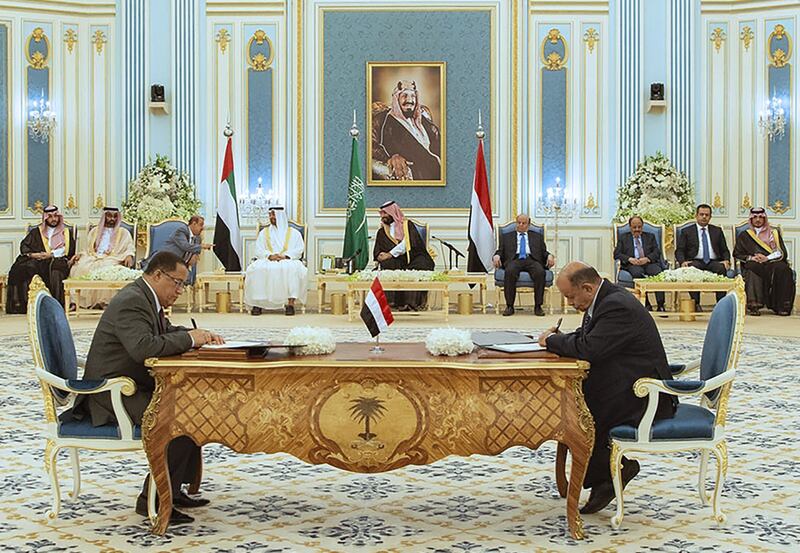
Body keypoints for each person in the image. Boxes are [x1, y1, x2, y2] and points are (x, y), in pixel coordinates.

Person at [67, 251, 224, 525]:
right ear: (158, 275)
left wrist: (197, 335)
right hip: (109, 394)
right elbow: (143, 348)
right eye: (176, 283)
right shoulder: (132, 301)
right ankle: (153, 500)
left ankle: (171, 490)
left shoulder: (144, 296)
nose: (179, 290)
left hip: (130, 385)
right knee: (177, 418)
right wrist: (189, 339)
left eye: (183, 285)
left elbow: (161, 331)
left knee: (193, 406)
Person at [538, 262, 677, 514]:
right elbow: (585, 337)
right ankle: (608, 474)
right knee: (574, 399)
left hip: (646, 396)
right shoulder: (604, 299)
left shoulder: (616, 306)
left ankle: (614, 473)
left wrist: (551, 341)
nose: (570, 303)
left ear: (588, 288)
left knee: (580, 411)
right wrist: (558, 341)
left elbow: (589, 348)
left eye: (570, 296)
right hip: (627, 381)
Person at [6, 205, 76, 314]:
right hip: (39, 260)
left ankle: (57, 305)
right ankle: (24, 304)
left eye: (55, 216)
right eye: (50, 216)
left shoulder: (66, 232)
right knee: (22, 268)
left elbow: (68, 250)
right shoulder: (36, 232)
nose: (53, 219)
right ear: (45, 218)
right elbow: (24, 246)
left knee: (56, 270)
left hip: (56, 259)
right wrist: (34, 255)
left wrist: (51, 254)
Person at [371, 80, 442, 181]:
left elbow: (439, 141)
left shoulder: (423, 120)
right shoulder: (383, 120)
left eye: (413, 96)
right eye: (404, 96)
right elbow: (370, 144)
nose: (410, 100)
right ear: (396, 99)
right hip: (417, 174)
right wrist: (390, 157)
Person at [244, 206, 307, 316]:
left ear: (280, 216)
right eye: (270, 215)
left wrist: (285, 256)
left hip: (287, 259)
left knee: (291, 269)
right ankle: (258, 304)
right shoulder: (264, 232)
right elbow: (258, 249)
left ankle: (290, 304)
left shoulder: (293, 233)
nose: (271, 217)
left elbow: (299, 249)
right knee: (257, 269)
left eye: (273, 215)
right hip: (268, 259)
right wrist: (269, 256)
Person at [372, 200, 435, 310]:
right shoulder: (382, 232)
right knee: (389, 263)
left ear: (393, 213)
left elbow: (408, 243)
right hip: (395, 260)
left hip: (413, 256)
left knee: (422, 263)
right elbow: (377, 250)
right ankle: (393, 303)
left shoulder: (407, 225)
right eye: (381, 213)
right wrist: (380, 256)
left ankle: (413, 303)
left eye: (385, 213)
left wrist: (390, 254)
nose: (383, 216)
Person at [69, 207, 136, 308]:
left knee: (107, 267)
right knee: (80, 267)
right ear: (104, 217)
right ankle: (79, 301)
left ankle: (103, 302)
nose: (112, 219)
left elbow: (129, 247)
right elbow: (87, 248)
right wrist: (80, 254)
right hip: (93, 256)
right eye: (109, 216)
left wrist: (129, 255)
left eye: (114, 217)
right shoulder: (94, 231)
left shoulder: (123, 232)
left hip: (113, 258)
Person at [733, 207, 795, 316]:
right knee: (751, 267)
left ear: (764, 219)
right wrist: (752, 258)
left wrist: (767, 258)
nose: (758, 220)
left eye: (761, 217)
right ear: (751, 219)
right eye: (755, 217)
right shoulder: (744, 235)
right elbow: (737, 253)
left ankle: (781, 306)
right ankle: (754, 305)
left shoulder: (773, 233)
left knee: (784, 269)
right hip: (755, 263)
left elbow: (781, 252)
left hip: (772, 262)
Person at [493, 214, 554, 317]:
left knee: (540, 272)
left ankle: (538, 306)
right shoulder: (507, 236)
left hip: (532, 259)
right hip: (514, 259)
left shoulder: (537, 236)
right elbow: (500, 251)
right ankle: (510, 306)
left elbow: (543, 252)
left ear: (528, 224)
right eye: (519, 223)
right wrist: (497, 256)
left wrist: (549, 256)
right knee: (510, 271)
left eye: (523, 223)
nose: (520, 225)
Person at [674, 204, 731, 311]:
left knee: (721, 268)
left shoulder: (717, 231)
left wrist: (726, 260)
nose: (704, 217)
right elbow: (680, 250)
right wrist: (682, 262)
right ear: (696, 216)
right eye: (701, 214)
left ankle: (720, 304)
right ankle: (696, 303)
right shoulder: (687, 231)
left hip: (713, 261)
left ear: (710, 217)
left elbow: (724, 250)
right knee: (691, 270)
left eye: (707, 215)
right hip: (695, 261)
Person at [613, 216, 666, 311]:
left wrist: (647, 258)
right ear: (630, 227)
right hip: (633, 264)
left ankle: (660, 304)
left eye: (639, 227)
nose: (637, 229)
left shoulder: (650, 237)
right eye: (634, 227)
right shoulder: (624, 238)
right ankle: (646, 303)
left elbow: (657, 252)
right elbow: (617, 254)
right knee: (637, 273)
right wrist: (629, 259)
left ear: (642, 226)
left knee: (658, 273)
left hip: (648, 263)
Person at [147, 215, 212, 269]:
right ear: (194, 224)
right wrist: (202, 246)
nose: (202, 228)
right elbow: (185, 246)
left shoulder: (197, 237)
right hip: (165, 262)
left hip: (181, 265)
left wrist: (195, 255)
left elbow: (196, 251)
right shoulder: (181, 231)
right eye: (201, 225)